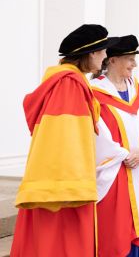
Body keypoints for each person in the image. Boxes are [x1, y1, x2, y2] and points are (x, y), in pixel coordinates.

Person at [10, 24, 118, 257]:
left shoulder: (67, 82)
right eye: (102, 51)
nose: (106, 56)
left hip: (59, 188)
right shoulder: (69, 85)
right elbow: (64, 142)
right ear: (90, 54)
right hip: (63, 195)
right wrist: (76, 188)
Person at [90, 35, 139, 257]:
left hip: (137, 170)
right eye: (129, 59)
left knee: (136, 227)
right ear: (112, 60)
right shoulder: (94, 92)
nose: (134, 64)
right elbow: (95, 132)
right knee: (113, 232)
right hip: (112, 173)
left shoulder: (138, 91)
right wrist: (123, 154)